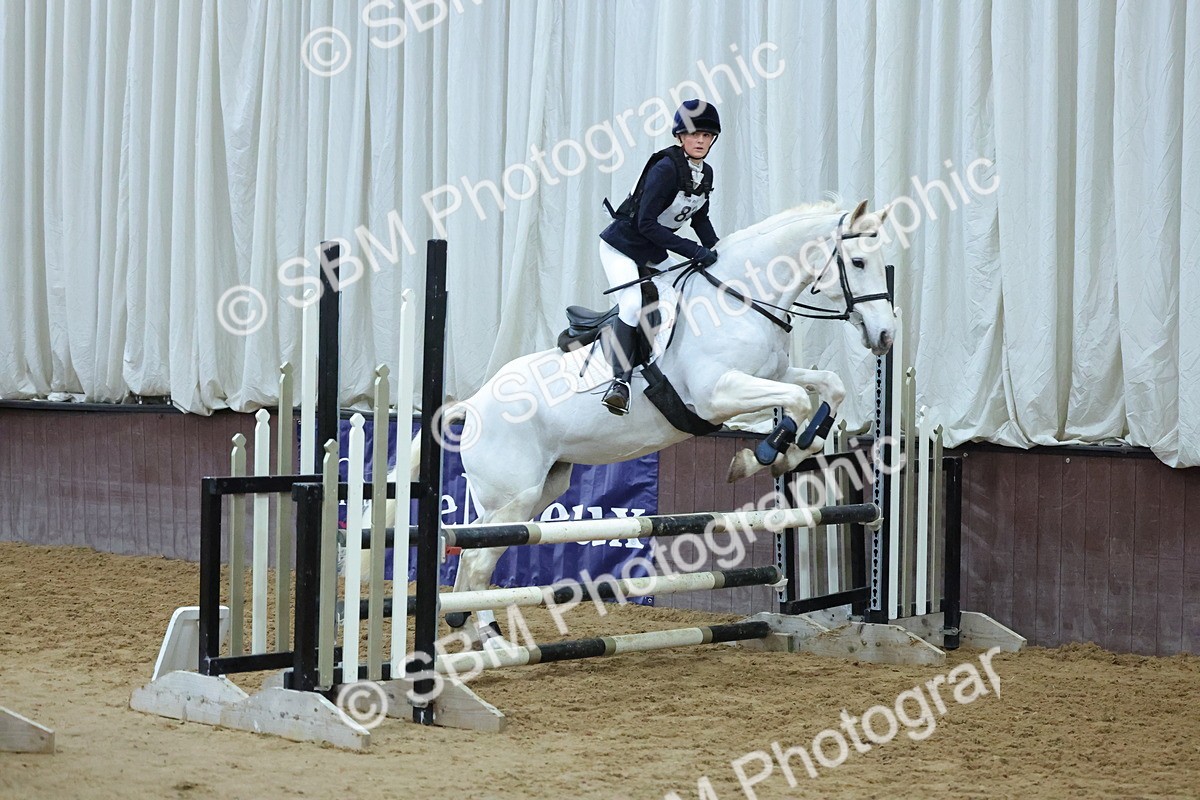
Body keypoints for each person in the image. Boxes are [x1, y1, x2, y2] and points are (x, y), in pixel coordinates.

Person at [597, 99, 722, 415]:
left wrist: (720, 251)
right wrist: (693, 250)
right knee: (632, 303)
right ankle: (620, 384)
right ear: (680, 136)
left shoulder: (704, 173)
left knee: (689, 293)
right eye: (694, 134)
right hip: (623, 246)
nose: (700, 141)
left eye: (707, 136)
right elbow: (646, 223)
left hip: (653, 249)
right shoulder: (666, 168)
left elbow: (700, 218)